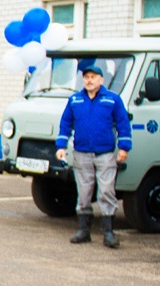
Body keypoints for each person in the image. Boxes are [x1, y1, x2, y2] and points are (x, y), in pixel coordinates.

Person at [55, 63, 131, 248]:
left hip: (104, 154)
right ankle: (83, 231)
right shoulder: (75, 100)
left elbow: (123, 123)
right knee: (84, 193)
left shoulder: (112, 99)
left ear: (101, 80)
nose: (89, 81)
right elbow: (66, 123)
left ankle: (108, 233)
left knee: (106, 191)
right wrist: (61, 146)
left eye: (93, 77)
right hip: (81, 154)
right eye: (86, 77)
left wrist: (124, 148)